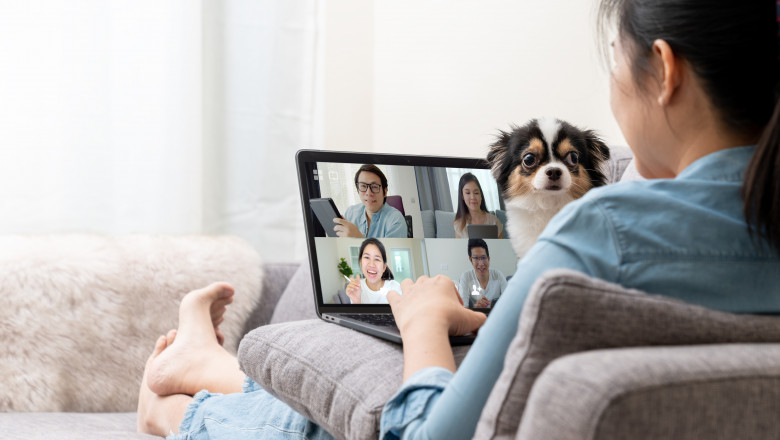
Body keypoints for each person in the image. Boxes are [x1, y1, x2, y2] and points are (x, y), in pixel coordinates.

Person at [137, 1, 780, 439]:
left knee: (327, 424)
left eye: (616, 58)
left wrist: (422, 324)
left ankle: (177, 413)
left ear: (664, 71)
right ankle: (203, 377)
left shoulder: (601, 234)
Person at [333, 164, 407, 238]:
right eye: (363, 186)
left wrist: (358, 238)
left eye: (374, 187)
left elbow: (388, 250)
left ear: (385, 192)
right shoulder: (350, 213)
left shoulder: (396, 220)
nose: (368, 193)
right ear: (358, 190)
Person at [345, 238, 402, 304]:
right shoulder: (357, 288)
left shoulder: (395, 287)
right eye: (367, 257)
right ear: (361, 262)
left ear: (384, 267)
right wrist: (357, 302)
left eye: (377, 259)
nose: (371, 265)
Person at [457, 239, 507, 308]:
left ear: (488, 259)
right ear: (470, 260)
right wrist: (476, 307)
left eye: (483, 258)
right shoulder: (466, 277)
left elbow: (509, 303)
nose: (481, 263)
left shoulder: (498, 276)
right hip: (475, 317)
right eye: (476, 258)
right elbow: (462, 308)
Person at [452, 172, 504, 238]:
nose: (472, 197)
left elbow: (502, 246)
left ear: (481, 195)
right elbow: (459, 248)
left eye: (476, 193)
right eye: (467, 193)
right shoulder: (459, 225)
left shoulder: (494, 221)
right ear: (462, 196)